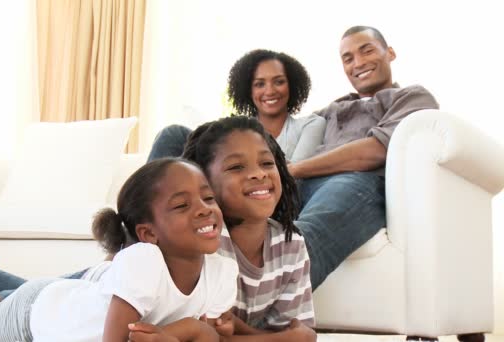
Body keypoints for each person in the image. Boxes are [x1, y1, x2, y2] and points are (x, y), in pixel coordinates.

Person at [0, 158, 239, 342]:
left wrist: (191, 332)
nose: (204, 209)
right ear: (147, 233)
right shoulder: (144, 261)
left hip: (64, 295)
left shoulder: (221, 269)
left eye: (208, 198)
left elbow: (207, 336)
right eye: (182, 205)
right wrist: (189, 332)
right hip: (35, 318)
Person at [288, 25, 440, 288]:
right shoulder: (330, 109)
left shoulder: (411, 96)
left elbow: (374, 151)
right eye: (348, 58)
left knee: (305, 235)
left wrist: (293, 170)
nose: (358, 63)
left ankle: (256, 317)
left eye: (366, 51)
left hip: (358, 183)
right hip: (301, 184)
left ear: (390, 53)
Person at [182, 116, 316, 340]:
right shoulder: (201, 240)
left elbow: (295, 331)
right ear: (204, 182)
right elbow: (194, 336)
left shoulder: (291, 246)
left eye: (266, 163)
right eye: (236, 167)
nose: (259, 174)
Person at [148, 49, 325, 164]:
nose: (270, 91)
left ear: (292, 85)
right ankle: (142, 211)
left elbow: (295, 173)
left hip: (265, 194)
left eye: (278, 82)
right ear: (248, 90)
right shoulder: (236, 130)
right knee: (173, 134)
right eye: (259, 84)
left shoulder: (310, 124)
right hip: (220, 186)